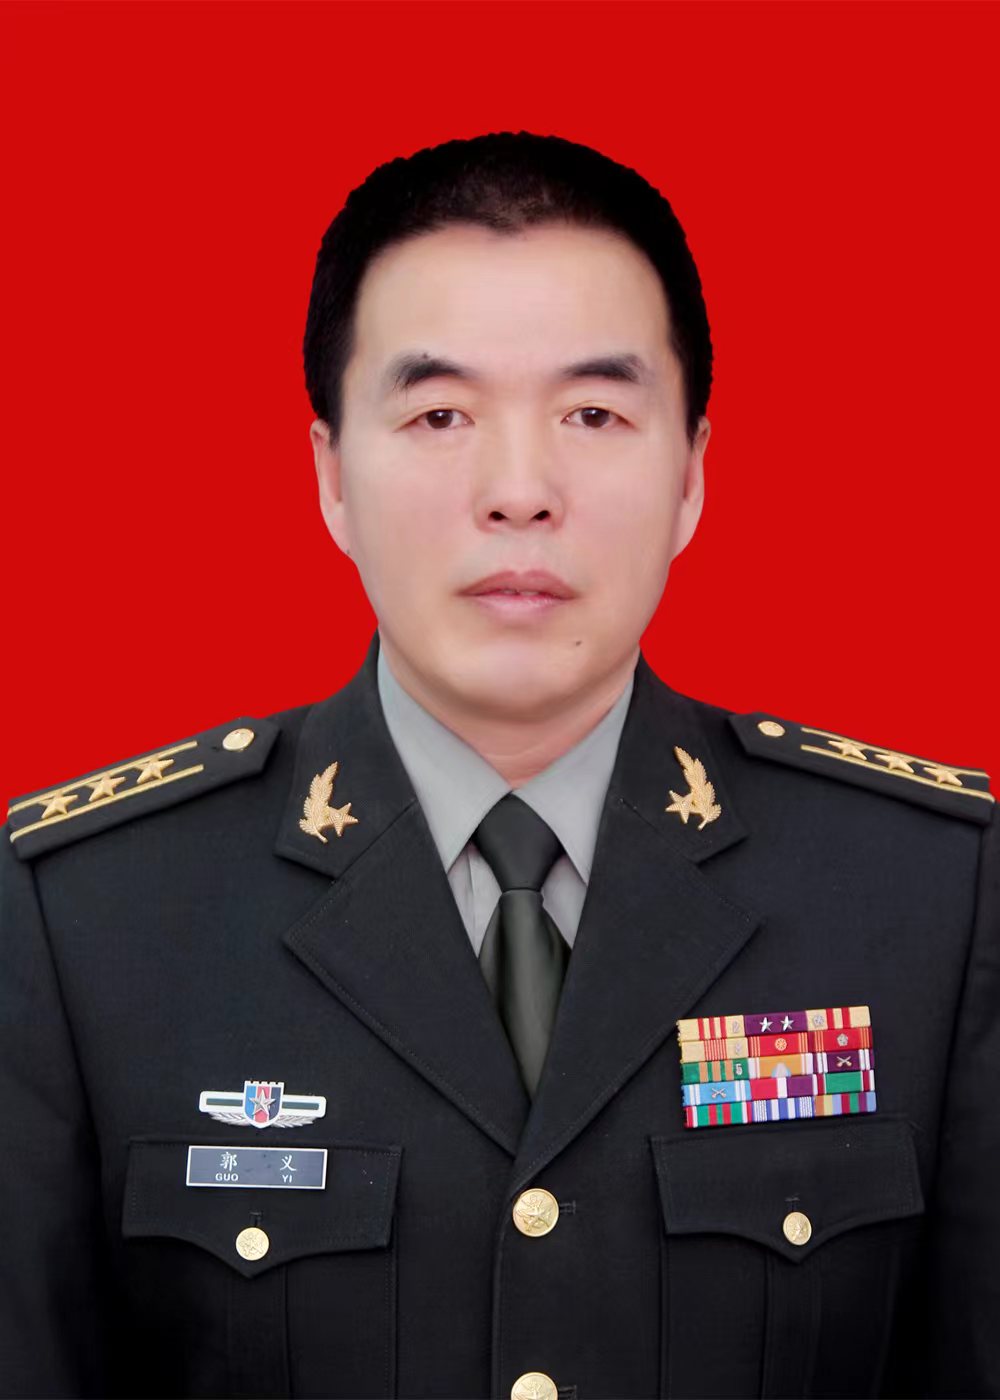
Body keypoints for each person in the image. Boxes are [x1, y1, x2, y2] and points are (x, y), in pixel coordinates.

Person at [1, 130, 996, 1400]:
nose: (518, 491)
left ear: (691, 473)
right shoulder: (88, 915)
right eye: (439, 415)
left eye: (593, 414)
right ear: (330, 476)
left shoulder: (930, 891)